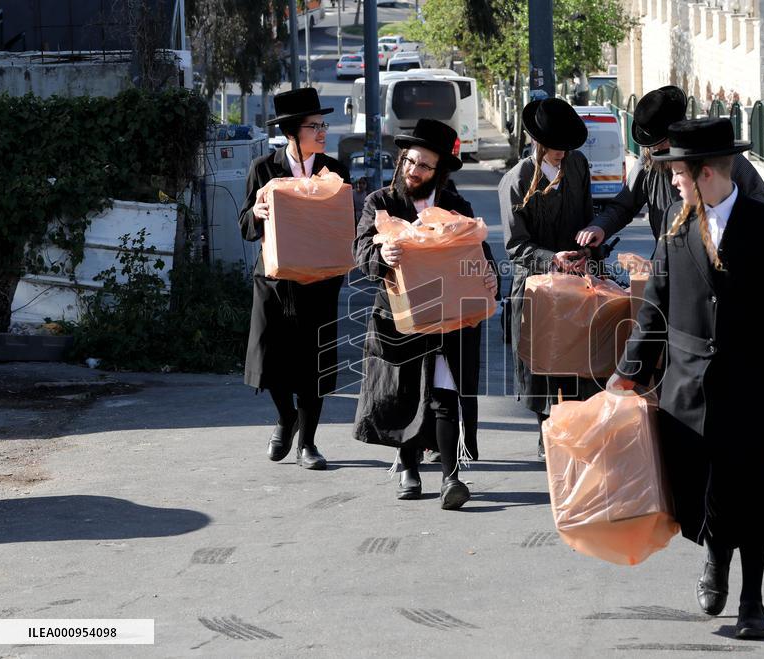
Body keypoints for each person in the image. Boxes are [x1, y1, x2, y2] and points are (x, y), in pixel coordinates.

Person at [609, 118, 764, 640]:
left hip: (752, 381)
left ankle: (753, 601)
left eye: (678, 172)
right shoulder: (675, 221)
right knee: (701, 486)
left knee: (752, 491)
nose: (671, 180)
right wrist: (627, 373)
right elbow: (655, 306)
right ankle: (715, 560)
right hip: (686, 387)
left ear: (707, 172)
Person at [352, 119, 500, 510]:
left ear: (440, 172)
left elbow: (480, 256)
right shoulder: (381, 202)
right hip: (399, 318)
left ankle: (451, 477)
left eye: (424, 166)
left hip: (451, 319)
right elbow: (361, 247)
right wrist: (380, 256)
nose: (414, 171)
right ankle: (407, 465)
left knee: (445, 393)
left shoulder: (456, 206)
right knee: (405, 392)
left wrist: (489, 278)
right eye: (410, 162)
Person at [239, 87, 352, 471]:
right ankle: (286, 417)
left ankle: (308, 442)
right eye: (314, 126)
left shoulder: (335, 170)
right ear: (292, 132)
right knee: (269, 357)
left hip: (319, 283)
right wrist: (257, 210)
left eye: (323, 124)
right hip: (273, 282)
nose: (323, 131)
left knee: (312, 363)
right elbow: (245, 227)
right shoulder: (263, 169)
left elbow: (343, 225)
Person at [499, 97, 599, 460]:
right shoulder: (516, 180)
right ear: (538, 144)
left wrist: (589, 249)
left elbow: (588, 217)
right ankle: (547, 433)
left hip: (577, 280)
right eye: (555, 147)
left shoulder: (578, 165)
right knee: (542, 364)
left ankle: (576, 429)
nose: (562, 153)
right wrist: (551, 258)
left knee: (579, 361)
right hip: (535, 284)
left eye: (566, 147)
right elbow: (516, 246)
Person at [575, 86, 764, 250]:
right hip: (670, 254)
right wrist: (599, 227)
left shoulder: (722, 157)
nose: (657, 149)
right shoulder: (649, 162)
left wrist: (730, 232)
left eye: (662, 143)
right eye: (654, 145)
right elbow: (624, 205)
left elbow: (759, 197)